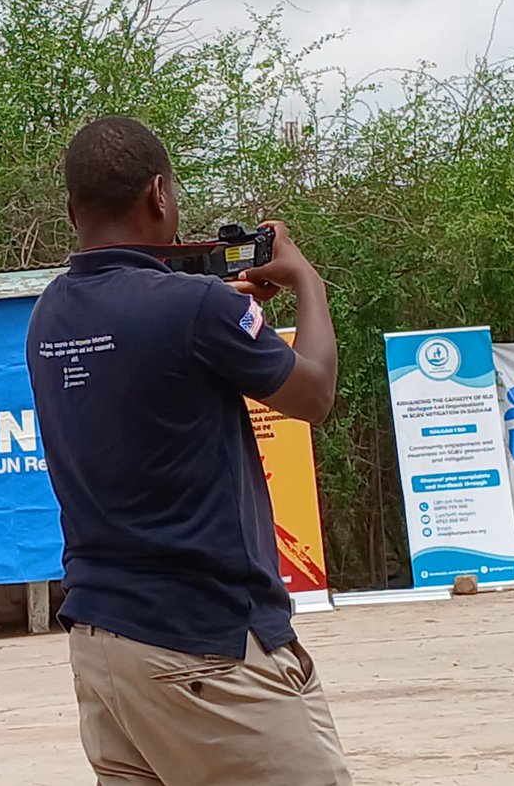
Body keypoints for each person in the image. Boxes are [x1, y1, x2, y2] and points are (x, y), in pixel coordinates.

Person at [26, 116, 350, 785]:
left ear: (70, 211)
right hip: (202, 642)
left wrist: (229, 315)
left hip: (102, 645)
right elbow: (312, 395)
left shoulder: (49, 316)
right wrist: (306, 282)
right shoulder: (197, 309)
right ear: (159, 195)